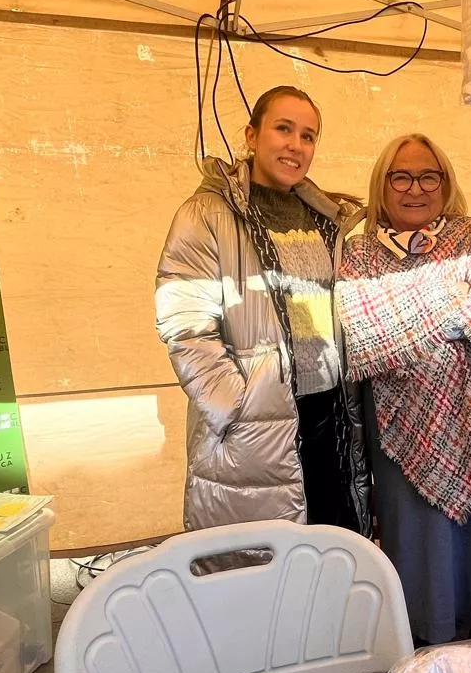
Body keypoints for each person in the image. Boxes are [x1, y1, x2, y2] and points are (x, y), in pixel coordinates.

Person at [337, 134, 471, 644]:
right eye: (400, 176)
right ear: (382, 185)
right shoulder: (358, 251)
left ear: (446, 183)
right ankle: (419, 636)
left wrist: (403, 311)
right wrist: (454, 299)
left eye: (429, 175)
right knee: (415, 536)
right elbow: (361, 328)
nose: (415, 188)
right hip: (400, 420)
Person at [155, 86, 370, 539]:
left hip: (325, 413)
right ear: (252, 136)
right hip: (256, 418)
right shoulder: (207, 214)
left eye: (308, 136)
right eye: (283, 129)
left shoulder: (326, 218)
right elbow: (186, 324)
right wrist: (234, 403)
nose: (296, 145)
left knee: (328, 543)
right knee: (261, 559)